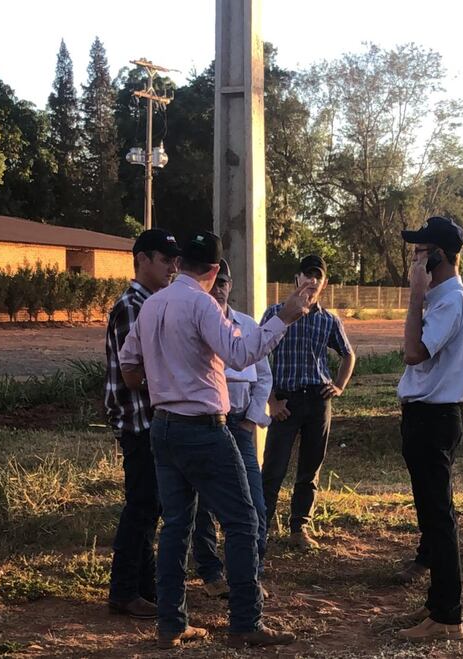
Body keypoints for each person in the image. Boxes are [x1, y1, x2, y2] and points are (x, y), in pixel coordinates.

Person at [119, 231, 310, 649]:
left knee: (175, 525)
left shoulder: (152, 305)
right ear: (213, 271)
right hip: (202, 427)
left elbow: (128, 365)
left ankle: (171, 624)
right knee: (243, 521)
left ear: (183, 261)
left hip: (163, 426)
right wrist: (287, 316)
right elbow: (241, 355)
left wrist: (163, 381)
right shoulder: (202, 304)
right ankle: (245, 621)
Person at [394, 216, 463, 642]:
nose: (413, 260)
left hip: (434, 418)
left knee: (439, 517)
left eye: (419, 253)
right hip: (431, 417)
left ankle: (447, 615)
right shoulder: (446, 300)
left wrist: (415, 296)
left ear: (439, 257)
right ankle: (439, 607)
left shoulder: (448, 302)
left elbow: (413, 352)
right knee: (434, 515)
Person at [104, 228, 180, 619]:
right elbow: (137, 370)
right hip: (139, 420)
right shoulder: (134, 306)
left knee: (151, 506)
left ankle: (144, 588)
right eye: (165, 260)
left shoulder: (149, 302)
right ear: (143, 260)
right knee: (141, 506)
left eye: (175, 262)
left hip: (151, 419)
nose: (172, 268)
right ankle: (124, 591)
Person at [260, 255, 356, 550]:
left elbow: (348, 354)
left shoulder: (328, 320)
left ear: (324, 283)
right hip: (285, 404)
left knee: (310, 468)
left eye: (318, 276)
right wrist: (272, 401)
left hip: (317, 402)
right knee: (274, 468)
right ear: (297, 279)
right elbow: (259, 356)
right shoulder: (275, 314)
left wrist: (338, 385)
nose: (312, 281)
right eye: (307, 275)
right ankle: (259, 529)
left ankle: (299, 527)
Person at [192, 259, 272, 599]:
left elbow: (264, 376)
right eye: (215, 279)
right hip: (209, 423)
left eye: (225, 280)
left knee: (253, 500)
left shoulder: (248, 325)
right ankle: (212, 574)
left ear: (231, 284)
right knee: (205, 503)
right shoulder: (196, 321)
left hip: (239, 425)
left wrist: (252, 417)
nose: (220, 285)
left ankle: (250, 572)